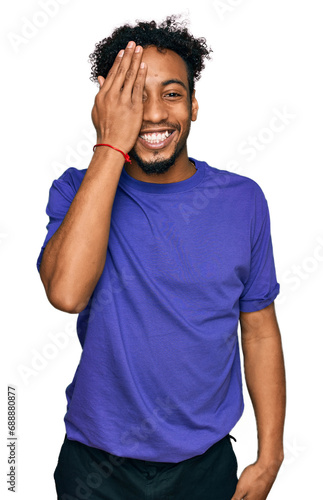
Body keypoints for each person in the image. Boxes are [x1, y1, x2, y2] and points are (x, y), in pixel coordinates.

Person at [37, 15, 286, 500]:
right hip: (96, 467)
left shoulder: (243, 200)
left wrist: (271, 456)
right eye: (133, 96)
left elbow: (258, 330)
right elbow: (66, 293)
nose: (153, 114)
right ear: (108, 106)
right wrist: (111, 142)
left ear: (193, 106)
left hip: (205, 467)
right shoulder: (76, 190)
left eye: (171, 94)